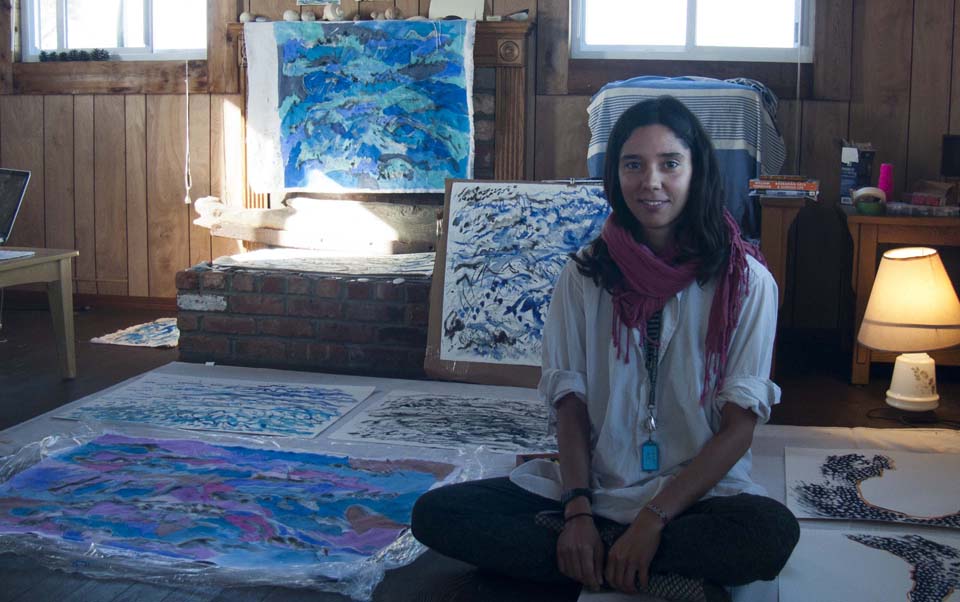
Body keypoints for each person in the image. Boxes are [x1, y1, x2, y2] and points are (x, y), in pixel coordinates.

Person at [411, 96, 799, 600]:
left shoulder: (746, 282)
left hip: (698, 496)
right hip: (596, 486)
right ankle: (644, 567)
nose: (650, 182)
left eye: (670, 164)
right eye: (633, 164)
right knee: (437, 514)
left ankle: (599, 557)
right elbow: (569, 405)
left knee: (769, 536)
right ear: (614, 176)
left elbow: (739, 428)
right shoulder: (585, 274)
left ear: (696, 171)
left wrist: (654, 519)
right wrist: (576, 512)